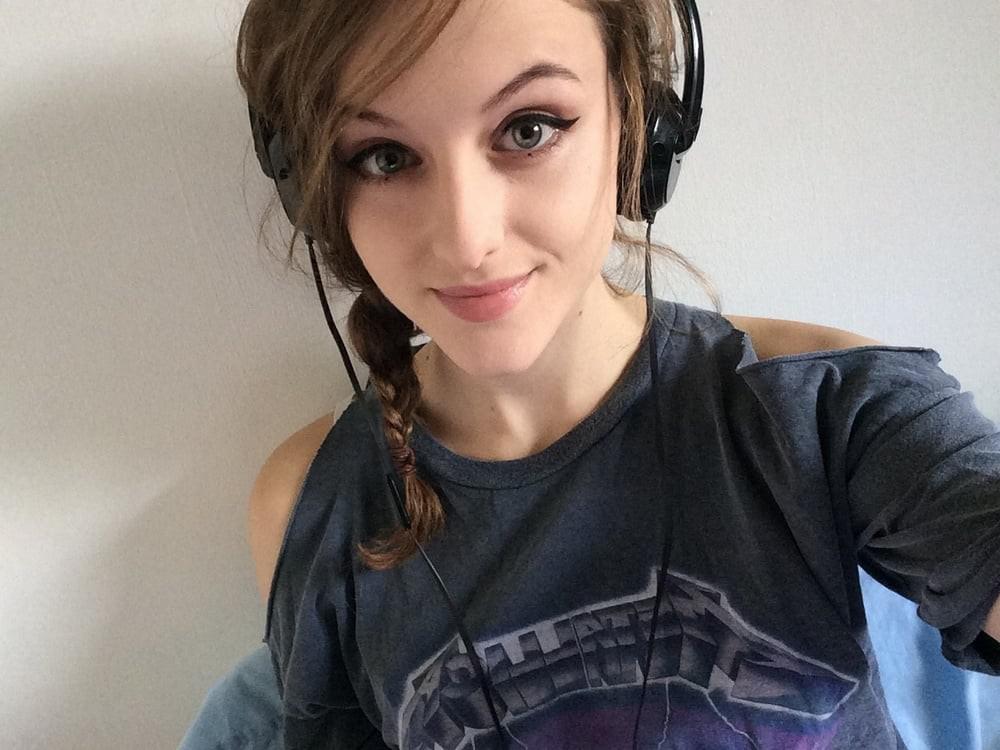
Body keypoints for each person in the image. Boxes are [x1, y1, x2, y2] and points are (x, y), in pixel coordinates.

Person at [186, 0, 1000, 747]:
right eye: (386, 156)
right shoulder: (314, 503)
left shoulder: (825, 409)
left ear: (638, 127)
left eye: (528, 129)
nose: (468, 239)